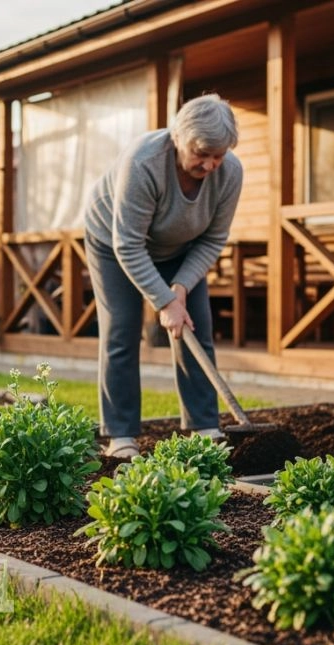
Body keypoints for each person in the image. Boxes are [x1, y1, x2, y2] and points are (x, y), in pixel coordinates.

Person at [83, 93, 244, 458]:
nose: (210, 165)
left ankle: (204, 427)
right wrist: (165, 301)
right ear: (178, 138)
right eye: (201, 154)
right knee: (121, 331)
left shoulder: (230, 172)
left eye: (218, 155)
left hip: (183, 248)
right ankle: (121, 436)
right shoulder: (144, 163)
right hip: (114, 242)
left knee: (196, 328)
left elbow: (214, 238)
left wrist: (182, 287)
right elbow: (128, 245)